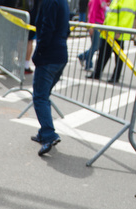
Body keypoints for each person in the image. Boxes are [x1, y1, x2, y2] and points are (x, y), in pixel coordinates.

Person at [29, 0, 70, 156]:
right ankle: (43, 132)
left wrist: (39, 53)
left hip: (49, 56)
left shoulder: (50, 2)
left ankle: (48, 134)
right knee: (44, 95)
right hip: (60, 54)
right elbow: (66, 29)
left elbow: (47, 29)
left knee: (40, 97)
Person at [89, 0, 136, 83]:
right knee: (103, 53)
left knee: (118, 56)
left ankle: (115, 77)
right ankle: (97, 73)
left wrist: (119, 31)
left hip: (116, 33)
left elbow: (126, 16)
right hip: (109, 31)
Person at [79, 0, 109, 72]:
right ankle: (88, 64)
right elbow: (92, 12)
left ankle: (82, 56)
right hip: (95, 24)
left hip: (100, 24)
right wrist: (91, 26)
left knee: (98, 45)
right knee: (95, 45)